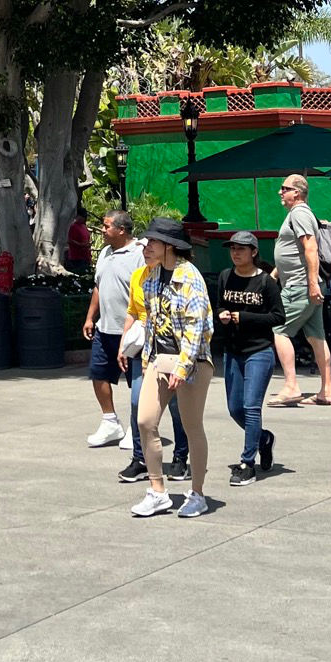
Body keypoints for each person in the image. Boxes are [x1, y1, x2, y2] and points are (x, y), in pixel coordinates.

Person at [123, 219, 214, 519]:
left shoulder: (190, 277)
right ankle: (157, 491)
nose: (146, 248)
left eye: (152, 243)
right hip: (158, 359)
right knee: (145, 421)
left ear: (169, 246)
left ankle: (198, 493)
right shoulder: (149, 277)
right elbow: (150, 322)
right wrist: (147, 360)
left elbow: (196, 327)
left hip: (192, 361)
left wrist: (183, 366)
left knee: (191, 427)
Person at [215, 230, 284, 484]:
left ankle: (247, 462)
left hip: (259, 350)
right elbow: (220, 306)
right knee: (235, 409)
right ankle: (264, 439)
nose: (235, 253)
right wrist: (222, 314)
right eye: (232, 249)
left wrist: (244, 317)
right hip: (233, 351)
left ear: (254, 252)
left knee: (251, 407)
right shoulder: (225, 276)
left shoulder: (266, 282)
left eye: (241, 249)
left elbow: (278, 317)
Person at [269, 174, 331, 406]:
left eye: (284, 188)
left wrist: (312, 283)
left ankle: (291, 386)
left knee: (279, 330)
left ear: (296, 192)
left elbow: (310, 248)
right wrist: (275, 274)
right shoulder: (298, 214)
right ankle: (326, 391)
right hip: (302, 284)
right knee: (316, 336)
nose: (280, 192)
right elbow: (293, 250)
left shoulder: (299, 213)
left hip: (300, 285)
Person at [83, 211, 143, 453]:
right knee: (98, 375)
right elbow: (99, 286)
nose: (101, 229)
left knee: (135, 384)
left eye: (106, 226)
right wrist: (90, 318)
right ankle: (110, 422)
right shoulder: (105, 253)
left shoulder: (139, 253)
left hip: (129, 331)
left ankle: (135, 428)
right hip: (104, 329)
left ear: (122, 230)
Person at [66, 208, 92, 275]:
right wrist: (80, 245)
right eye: (81, 216)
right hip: (76, 257)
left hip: (86, 256)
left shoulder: (84, 226)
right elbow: (70, 240)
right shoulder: (73, 226)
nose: (83, 218)